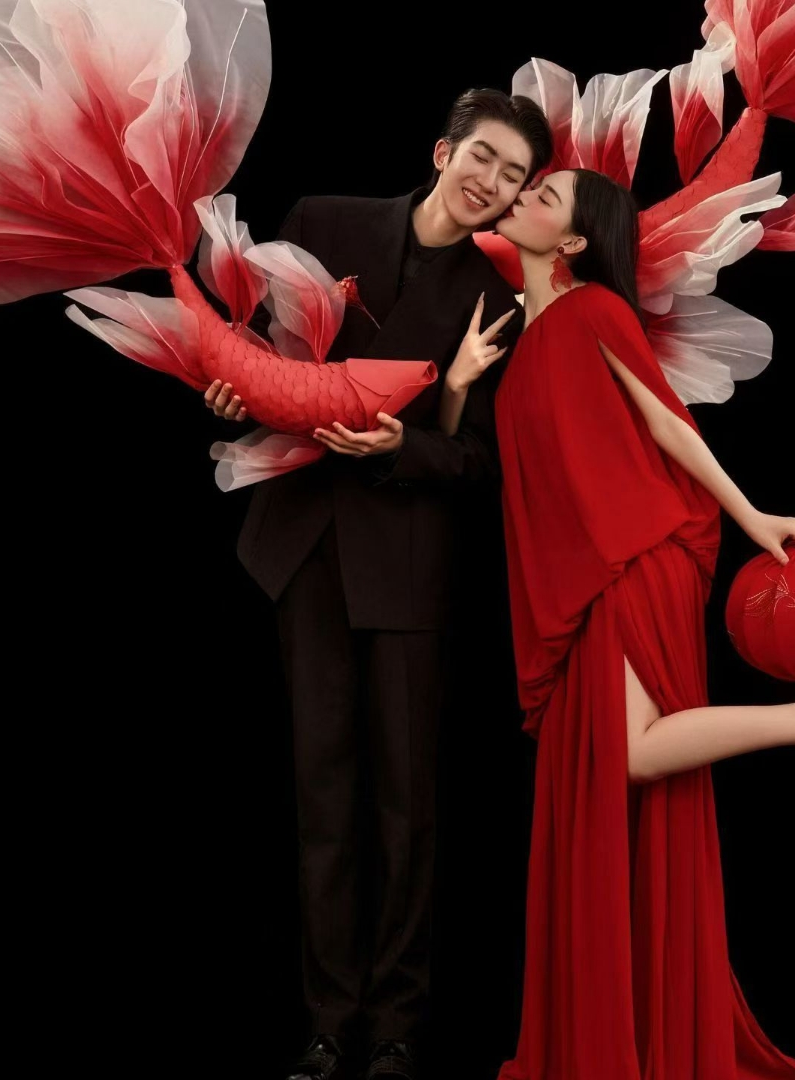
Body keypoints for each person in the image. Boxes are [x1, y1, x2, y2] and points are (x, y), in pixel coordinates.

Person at [440, 167, 795, 1080]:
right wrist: (461, 382)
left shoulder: (594, 310)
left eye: (545, 197)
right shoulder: (517, 335)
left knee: (627, 757)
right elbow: (479, 454)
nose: (525, 197)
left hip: (632, 560)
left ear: (573, 242)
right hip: (573, 583)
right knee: (609, 783)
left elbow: (669, 426)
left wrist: (753, 518)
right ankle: (618, 1030)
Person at [206, 90, 552, 1080]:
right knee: (322, 791)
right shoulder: (324, 220)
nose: (491, 182)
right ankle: (328, 1022)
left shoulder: (501, 295)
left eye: (514, 177)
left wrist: (406, 446)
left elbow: (486, 460)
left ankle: (397, 1026)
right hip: (307, 543)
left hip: (408, 558)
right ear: (443, 151)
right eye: (482, 158)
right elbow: (258, 349)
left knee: (407, 804)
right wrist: (226, 386)